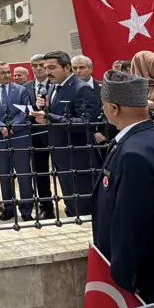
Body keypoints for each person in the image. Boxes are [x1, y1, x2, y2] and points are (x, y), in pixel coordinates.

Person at [92, 71, 154, 303]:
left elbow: (133, 221)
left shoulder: (133, 153)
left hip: (143, 279)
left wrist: (127, 277)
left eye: (103, 104)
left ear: (114, 108)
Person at [30, 51, 100, 217]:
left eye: (52, 67)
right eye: (46, 68)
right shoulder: (53, 87)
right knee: (71, 203)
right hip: (60, 154)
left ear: (67, 67)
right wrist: (44, 113)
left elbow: (88, 122)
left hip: (78, 156)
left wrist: (50, 118)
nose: (47, 72)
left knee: (84, 206)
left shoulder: (81, 89)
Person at [0, 62, 33, 221]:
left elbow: (25, 111)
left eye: (8, 72)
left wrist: (11, 128)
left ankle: (26, 210)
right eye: (3, 73)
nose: (7, 75)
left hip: (19, 137)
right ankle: (9, 208)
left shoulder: (21, 90)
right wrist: (0, 128)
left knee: (24, 175)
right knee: (4, 175)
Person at [24, 54, 53, 218]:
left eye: (41, 65)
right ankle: (46, 207)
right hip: (35, 135)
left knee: (64, 170)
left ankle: (71, 203)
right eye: (35, 65)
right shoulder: (26, 87)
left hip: (55, 132)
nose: (39, 68)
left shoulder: (55, 84)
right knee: (40, 172)